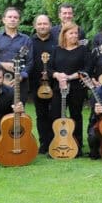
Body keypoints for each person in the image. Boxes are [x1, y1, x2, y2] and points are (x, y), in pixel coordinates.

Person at [49, 22, 89, 154]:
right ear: (64, 34)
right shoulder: (56, 50)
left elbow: (87, 68)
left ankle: (77, 145)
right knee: (56, 115)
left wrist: (70, 77)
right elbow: (49, 69)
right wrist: (58, 75)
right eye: (71, 33)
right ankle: (56, 144)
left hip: (77, 88)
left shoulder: (83, 50)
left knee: (76, 115)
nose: (74, 36)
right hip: (59, 88)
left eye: (76, 33)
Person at [0, 7, 34, 103]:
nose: (12, 19)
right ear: (4, 20)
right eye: (10, 17)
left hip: (20, 84)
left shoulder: (26, 40)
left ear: (19, 21)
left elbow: (30, 62)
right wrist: (2, 64)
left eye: (15, 17)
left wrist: (21, 76)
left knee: (18, 110)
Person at [29, 14, 56, 154]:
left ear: (50, 25)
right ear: (35, 26)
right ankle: (44, 143)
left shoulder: (57, 41)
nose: (42, 26)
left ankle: (55, 141)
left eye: (45, 24)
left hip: (55, 83)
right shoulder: (29, 42)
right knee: (41, 114)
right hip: (36, 84)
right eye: (39, 24)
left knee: (55, 113)